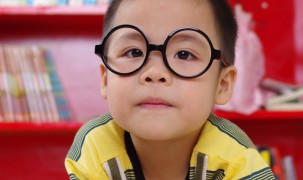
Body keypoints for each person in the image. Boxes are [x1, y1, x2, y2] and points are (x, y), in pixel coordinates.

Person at [65, 0, 276, 179]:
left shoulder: (235, 157)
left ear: (222, 85)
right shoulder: (94, 147)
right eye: (134, 52)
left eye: (184, 54)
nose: (155, 72)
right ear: (105, 79)